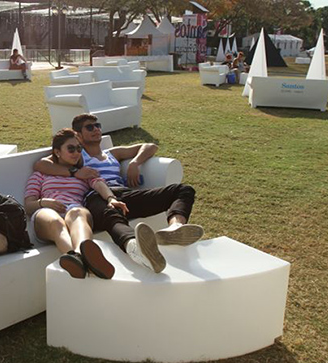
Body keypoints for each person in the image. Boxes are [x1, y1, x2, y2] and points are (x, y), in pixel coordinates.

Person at [34, 114, 204, 274]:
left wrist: (135, 163)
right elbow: (41, 165)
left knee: (183, 190)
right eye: (90, 127)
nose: (96, 129)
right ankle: (134, 247)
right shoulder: (78, 156)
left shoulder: (112, 153)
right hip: (96, 196)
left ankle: (175, 228)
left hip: (125, 194)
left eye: (98, 125)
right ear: (78, 135)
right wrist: (74, 173)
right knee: (111, 214)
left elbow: (150, 146)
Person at [24, 128, 128, 279]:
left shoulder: (84, 173)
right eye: (71, 148)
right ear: (57, 152)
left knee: (77, 213)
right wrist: (43, 202)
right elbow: (28, 205)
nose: (76, 152)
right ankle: (84, 259)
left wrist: (111, 198)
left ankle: (78, 258)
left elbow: (99, 184)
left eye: (79, 148)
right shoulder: (41, 174)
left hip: (74, 208)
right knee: (54, 220)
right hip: (45, 213)